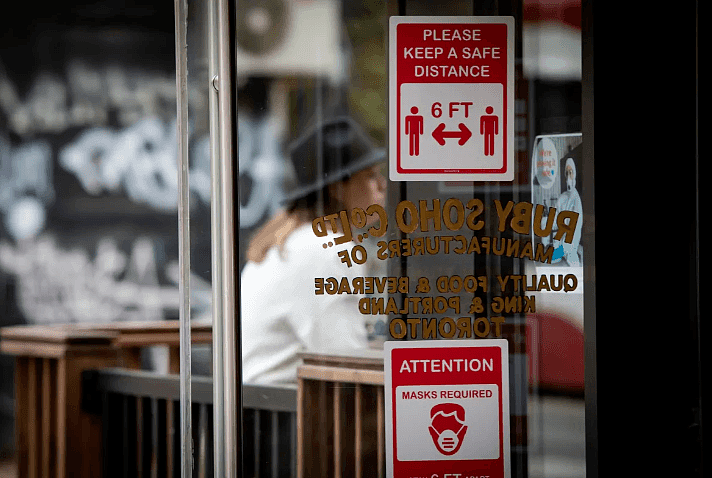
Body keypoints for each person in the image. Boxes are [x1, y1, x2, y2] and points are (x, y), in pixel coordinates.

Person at [241, 117, 387, 385]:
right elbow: (345, 358)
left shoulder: (293, 239)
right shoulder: (327, 248)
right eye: (370, 176)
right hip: (289, 415)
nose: (382, 185)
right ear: (338, 188)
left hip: (264, 409)